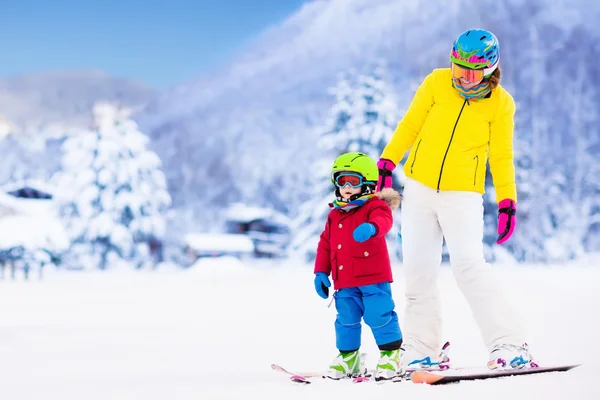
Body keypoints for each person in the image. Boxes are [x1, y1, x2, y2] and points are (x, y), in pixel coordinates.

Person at [376, 29, 536, 370]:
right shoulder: (436, 83)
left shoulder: (501, 103)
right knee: (418, 273)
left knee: (469, 269)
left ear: (491, 69)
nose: (465, 76)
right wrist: (388, 161)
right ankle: (422, 348)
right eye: (459, 67)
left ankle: (509, 345)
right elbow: (410, 125)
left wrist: (508, 201)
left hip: (462, 195)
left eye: (474, 71)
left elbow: (502, 156)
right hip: (418, 190)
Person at [313, 151, 403, 381]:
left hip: (372, 276)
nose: (346, 186)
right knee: (346, 319)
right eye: (341, 180)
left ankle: (391, 355)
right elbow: (325, 244)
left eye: (352, 180)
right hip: (344, 281)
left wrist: (372, 227)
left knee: (379, 314)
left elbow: (385, 220)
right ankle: (349, 358)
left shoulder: (375, 207)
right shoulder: (335, 214)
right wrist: (321, 272)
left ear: (368, 182)